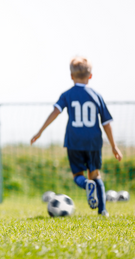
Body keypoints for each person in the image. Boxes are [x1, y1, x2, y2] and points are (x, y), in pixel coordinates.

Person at [31, 57, 122, 217]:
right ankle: (103, 211)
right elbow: (106, 123)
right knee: (95, 175)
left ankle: (86, 184)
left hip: (74, 141)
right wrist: (114, 146)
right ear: (90, 76)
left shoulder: (67, 94)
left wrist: (40, 131)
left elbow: (55, 112)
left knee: (78, 176)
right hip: (94, 142)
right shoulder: (96, 96)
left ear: (71, 76)